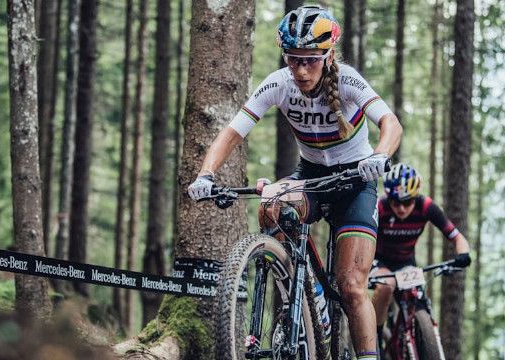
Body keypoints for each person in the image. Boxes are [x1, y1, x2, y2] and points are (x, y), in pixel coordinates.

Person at [187, 5, 402, 360]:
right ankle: (310, 294)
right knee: (271, 208)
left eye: (311, 60)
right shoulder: (278, 83)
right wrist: (205, 174)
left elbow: (391, 123)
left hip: (354, 182)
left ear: (328, 55)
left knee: (351, 287)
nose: (301, 69)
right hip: (312, 175)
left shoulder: (347, 80)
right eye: (293, 59)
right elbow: (231, 133)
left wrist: (379, 155)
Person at [369, 163, 471, 348]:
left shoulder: (426, 206)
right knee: (386, 287)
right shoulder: (380, 208)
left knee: (419, 297)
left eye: (407, 202)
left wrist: (463, 255)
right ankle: (373, 339)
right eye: (395, 202)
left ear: (415, 197)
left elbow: (457, 237)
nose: (400, 208)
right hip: (379, 260)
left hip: (406, 261)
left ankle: (418, 336)